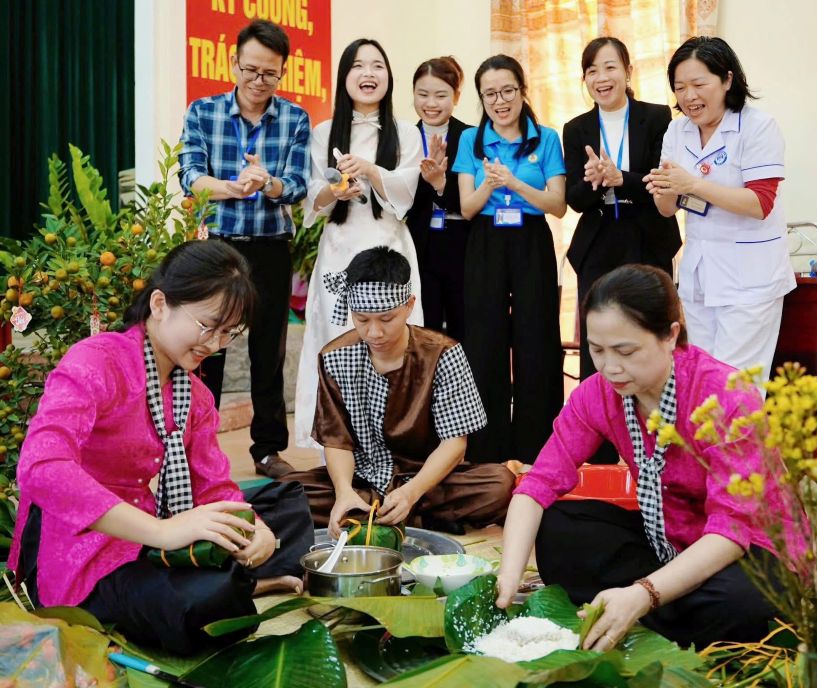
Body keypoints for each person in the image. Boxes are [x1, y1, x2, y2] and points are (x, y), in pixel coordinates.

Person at [8, 241, 313, 656]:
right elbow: (41, 468)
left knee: (289, 504)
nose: (215, 344)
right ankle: (244, 583)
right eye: (208, 326)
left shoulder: (195, 396)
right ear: (159, 304)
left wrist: (255, 529)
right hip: (80, 545)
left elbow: (214, 488)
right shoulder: (97, 362)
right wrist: (162, 532)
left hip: (151, 531)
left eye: (229, 332)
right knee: (200, 608)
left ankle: (243, 576)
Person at [497, 265, 796, 650]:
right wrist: (508, 577)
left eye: (625, 351)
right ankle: (663, 603)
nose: (610, 368)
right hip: (667, 542)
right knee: (558, 528)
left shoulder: (726, 398)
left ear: (670, 335)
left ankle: (642, 602)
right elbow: (537, 485)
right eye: (597, 350)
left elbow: (730, 533)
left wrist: (644, 594)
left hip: (748, 551)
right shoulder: (598, 393)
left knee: (747, 600)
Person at [281, 247, 513, 533]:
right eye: (362, 319)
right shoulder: (334, 356)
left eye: (386, 319)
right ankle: (413, 517)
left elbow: (455, 444)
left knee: (500, 485)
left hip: (426, 479)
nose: (374, 332)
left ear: (409, 305)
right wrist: (343, 492)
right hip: (362, 478)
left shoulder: (443, 353)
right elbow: (336, 440)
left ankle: (385, 513)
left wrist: (411, 492)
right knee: (284, 494)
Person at [179, 19, 310, 479]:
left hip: (270, 246)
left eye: (270, 73)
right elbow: (190, 176)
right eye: (251, 70)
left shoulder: (294, 119)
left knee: (267, 351)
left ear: (282, 72)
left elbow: (297, 185)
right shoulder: (203, 112)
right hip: (218, 249)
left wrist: (267, 182)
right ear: (234, 63)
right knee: (207, 347)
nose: (259, 81)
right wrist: (232, 188)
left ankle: (268, 450)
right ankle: (198, 447)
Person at [295, 38, 423, 450]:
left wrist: (368, 169)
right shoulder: (323, 133)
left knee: (393, 341)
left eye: (377, 66)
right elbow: (312, 197)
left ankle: (395, 442)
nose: (368, 74)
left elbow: (406, 193)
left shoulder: (406, 132)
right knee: (337, 339)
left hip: (389, 248)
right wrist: (337, 190)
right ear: (344, 76)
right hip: (340, 250)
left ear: (389, 76)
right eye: (358, 66)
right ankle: (337, 446)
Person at [644, 36, 795, 380]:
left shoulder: (758, 127)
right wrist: (663, 189)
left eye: (699, 85)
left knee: (736, 385)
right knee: (703, 380)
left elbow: (760, 203)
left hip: (750, 280)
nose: (689, 96)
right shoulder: (677, 131)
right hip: (700, 276)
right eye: (680, 88)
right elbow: (666, 209)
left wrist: (692, 185)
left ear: (727, 80)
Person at [453, 54, 567, 464]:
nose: (499, 101)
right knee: (485, 341)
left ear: (522, 91)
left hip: (531, 239)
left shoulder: (547, 138)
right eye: (490, 94)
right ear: (481, 98)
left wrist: (514, 182)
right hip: (485, 241)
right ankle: (487, 450)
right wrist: (491, 183)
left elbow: (557, 205)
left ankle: (538, 448)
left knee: (537, 337)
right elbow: (467, 208)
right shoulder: (471, 140)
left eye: (507, 91)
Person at [564, 37, 681, 382]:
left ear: (628, 72)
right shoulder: (576, 128)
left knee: (647, 332)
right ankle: (599, 412)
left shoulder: (657, 117)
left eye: (610, 67)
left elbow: (664, 179)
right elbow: (574, 199)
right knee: (600, 341)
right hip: (598, 243)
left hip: (647, 238)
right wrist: (594, 181)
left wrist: (621, 178)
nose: (601, 78)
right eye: (592, 71)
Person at [406, 56, 473, 340]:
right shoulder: (405, 137)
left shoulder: (470, 136)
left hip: (462, 245)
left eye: (441, 95)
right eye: (423, 94)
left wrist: (442, 183)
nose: (431, 103)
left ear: (456, 96)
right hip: (420, 244)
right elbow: (401, 197)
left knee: (464, 328)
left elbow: (474, 196)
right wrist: (427, 179)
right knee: (425, 329)